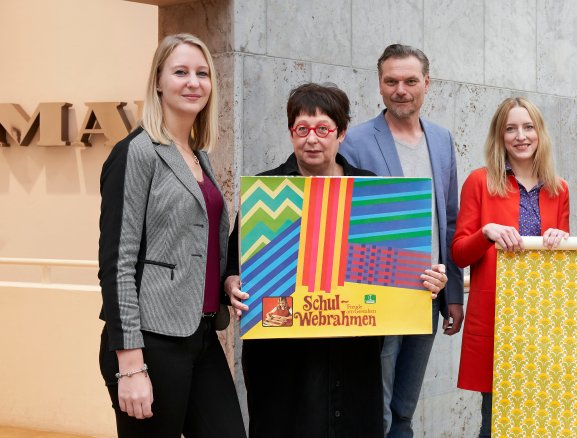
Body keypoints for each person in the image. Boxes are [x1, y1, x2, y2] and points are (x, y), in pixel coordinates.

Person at [222, 82, 449, 438]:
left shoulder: (371, 190)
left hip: (353, 354)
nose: (312, 139)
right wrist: (231, 282)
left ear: (341, 133)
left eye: (323, 129)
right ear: (291, 133)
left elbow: (401, 267)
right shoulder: (267, 191)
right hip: (282, 361)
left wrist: (427, 280)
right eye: (302, 129)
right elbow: (234, 265)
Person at [97, 33, 246, 437]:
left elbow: (193, 247)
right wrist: (130, 366)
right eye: (180, 72)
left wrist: (226, 281)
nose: (193, 82)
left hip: (200, 334)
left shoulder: (197, 155)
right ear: (158, 81)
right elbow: (117, 263)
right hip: (150, 342)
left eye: (202, 73)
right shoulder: (136, 152)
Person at [339, 43, 464, 437]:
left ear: (427, 84)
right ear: (379, 85)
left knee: (405, 406)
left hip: (428, 292)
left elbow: (450, 220)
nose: (401, 90)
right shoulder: (356, 141)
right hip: (378, 295)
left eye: (411, 81)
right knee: (380, 407)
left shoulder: (441, 139)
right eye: (391, 81)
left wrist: (455, 296)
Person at [452, 97, 570, 437]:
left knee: (543, 419)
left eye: (528, 127)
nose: (521, 136)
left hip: (545, 319)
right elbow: (460, 254)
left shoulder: (558, 189)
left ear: (540, 133)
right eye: (511, 128)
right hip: (497, 317)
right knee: (496, 421)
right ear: (499, 136)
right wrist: (485, 233)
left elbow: (564, 261)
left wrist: (562, 238)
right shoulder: (480, 181)